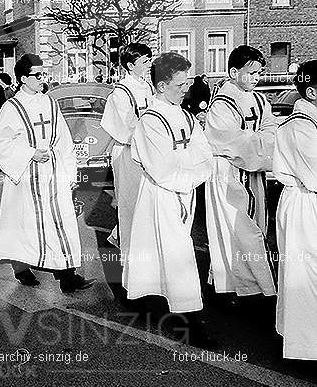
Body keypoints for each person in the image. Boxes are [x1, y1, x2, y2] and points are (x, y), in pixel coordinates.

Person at [127, 52, 215, 346]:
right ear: (162, 86)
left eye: (187, 83)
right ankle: (187, 322)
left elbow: (205, 155)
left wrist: (189, 169)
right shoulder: (150, 121)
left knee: (157, 252)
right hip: (160, 195)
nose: (186, 90)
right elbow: (163, 168)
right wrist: (189, 169)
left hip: (183, 192)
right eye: (180, 85)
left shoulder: (187, 116)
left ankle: (149, 302)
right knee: (178, 256)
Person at [0, 53, 95, 293]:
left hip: (52, 172)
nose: (42, 79)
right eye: (37, 75)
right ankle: (21, 267)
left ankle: (67, 275)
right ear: (23, 78)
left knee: (60, 222)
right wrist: (30, 153)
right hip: (26, 176)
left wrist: (69, 173)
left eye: (43, 74)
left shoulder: (49, 102)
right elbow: (1, 144)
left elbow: (63, 139)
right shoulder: (11, 107)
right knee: (24, 225)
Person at [204, 45, 277, 298]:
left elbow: (271, 127)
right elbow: (233, 141)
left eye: (259, 73)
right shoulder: (223, 103)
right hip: (227, 173)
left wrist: (258, 140)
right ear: (234, 72)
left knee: (255, 226)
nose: (256, 78)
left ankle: (244, 284)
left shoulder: (258, 98)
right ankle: (235, 288)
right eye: (252, 73)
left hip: (251, 171)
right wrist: (259, 142)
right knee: (236, 230)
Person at [273, 60, 317, 361]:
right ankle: (305, 348)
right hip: (304, 204)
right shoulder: (300, 128)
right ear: (312, 91)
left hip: (309, 201)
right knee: (305, 276)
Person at [101, 43, 154, 257]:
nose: (150, 65)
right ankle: (129, 255)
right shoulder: (121, 92)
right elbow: (125, 125)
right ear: (131, 65)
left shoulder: (148, 87)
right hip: (128, 152)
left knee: (146, 202)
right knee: (130, 202)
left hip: (147, 151)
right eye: (145, 61)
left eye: (150, 60)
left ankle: (127, 240)